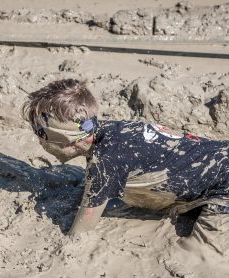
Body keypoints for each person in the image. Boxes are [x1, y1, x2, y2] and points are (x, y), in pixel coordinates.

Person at [26, 78, 229, 255]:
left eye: (41, 133)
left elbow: (80, 234)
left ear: (67, 139)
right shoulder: (111, 130)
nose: (39, 141)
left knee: (197, 254)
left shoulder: (106, 163)